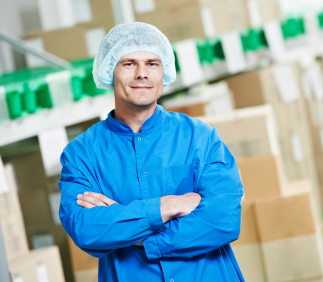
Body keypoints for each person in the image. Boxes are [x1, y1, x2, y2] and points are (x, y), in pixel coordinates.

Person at [58, 22, 245, 282]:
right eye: (129, 63)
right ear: (109, 71)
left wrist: (131, 230)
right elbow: (86, 229)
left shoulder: (200, 137)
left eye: (152, 63)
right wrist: (168, 205)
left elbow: (223, 219)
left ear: (164, 71)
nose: (142, 73)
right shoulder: (81, 154)